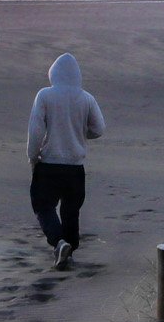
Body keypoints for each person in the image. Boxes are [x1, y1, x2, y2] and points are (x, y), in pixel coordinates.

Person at [26, 52, 105, 270]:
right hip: (76, 167)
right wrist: (80, 134)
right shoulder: (86, 98)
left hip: (49, 163)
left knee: (43, 205)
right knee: (71, 210)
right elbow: (99, 128)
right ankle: (69, 249)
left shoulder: (45, 95)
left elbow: (36, 130)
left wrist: (32, 157)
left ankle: (59, 243)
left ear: (54, 74)